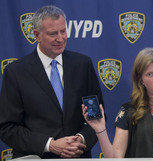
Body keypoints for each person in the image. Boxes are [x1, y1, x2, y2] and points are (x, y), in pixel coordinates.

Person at [0, 5, 104, 159]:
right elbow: (7, 128)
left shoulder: (83, 65)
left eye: (63, 31)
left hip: (78, 156)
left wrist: (80, 140)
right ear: (37, 35)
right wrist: (50, 145)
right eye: (53, 33)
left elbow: (97, 115)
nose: (60, 38)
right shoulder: (16, 72)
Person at [82, 48, 153, 158]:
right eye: (150, 74)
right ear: (140, 80)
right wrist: (100, 130)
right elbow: (115, 158)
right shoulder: (128, 111)